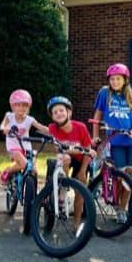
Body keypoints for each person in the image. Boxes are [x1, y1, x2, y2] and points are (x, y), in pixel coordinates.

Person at [90, 64, 132, 223]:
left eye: (118, 79)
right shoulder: (104, 93)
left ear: (125, 80)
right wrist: (95, 136)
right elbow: (97, 117)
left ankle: (122, 209)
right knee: (119, 176)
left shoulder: (131, 94)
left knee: (128, 176)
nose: (114, 82)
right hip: (115, 141)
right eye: (112, 79)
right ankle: (116, 204)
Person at [46, 96, 95, 230]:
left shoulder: (80, 127)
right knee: (65, 157)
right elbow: (58, 150)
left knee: (80, 190)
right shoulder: (52, 128)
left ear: (69, 112)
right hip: (66, 159)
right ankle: (64, 188)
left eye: (61, 110)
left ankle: (77, 223)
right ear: (52, 117)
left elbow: (88, 151)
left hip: (82, 159)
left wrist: (83, 171)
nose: (58, 113)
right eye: (55, 112)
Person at [0, 89, 50, 185]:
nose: (21, 108)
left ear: (28, 107)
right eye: (18, 105)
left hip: (26, 147)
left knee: (34, 170)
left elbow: (42, 127)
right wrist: (5, 129)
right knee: (24, 164)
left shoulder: (30, 120)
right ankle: (7, 171)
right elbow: (2, 126)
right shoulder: (9, 116)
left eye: (25, 105)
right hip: (13, 148)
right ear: (12, 107)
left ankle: (32, 195)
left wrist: (54, 131)